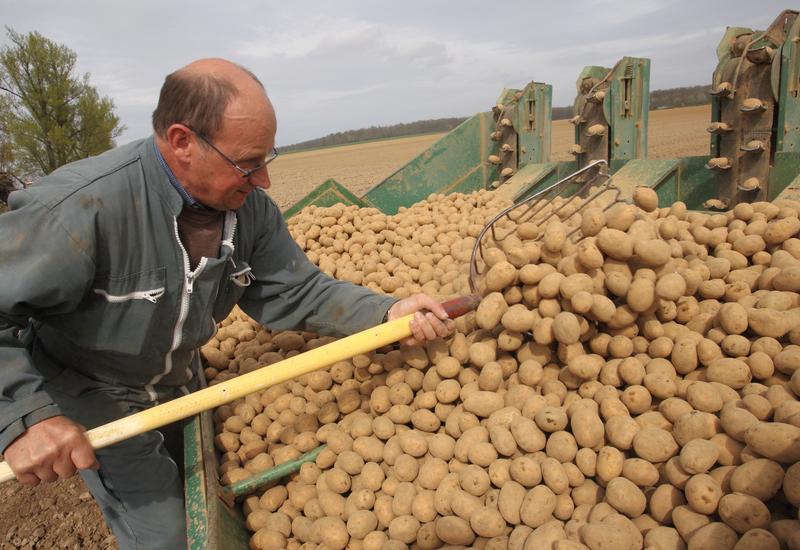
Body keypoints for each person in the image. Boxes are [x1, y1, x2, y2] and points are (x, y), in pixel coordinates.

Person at [0, 58, 454, 549]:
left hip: (179, 375)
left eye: (267, 159)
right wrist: (27, 417)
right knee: (173, 537)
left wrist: (387, 312)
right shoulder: (78, 209)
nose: (264, 181)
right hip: (93, 387)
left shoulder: (249, 210)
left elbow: (296, 289)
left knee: (191, 481)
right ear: (182, 142)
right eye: (248, 162)